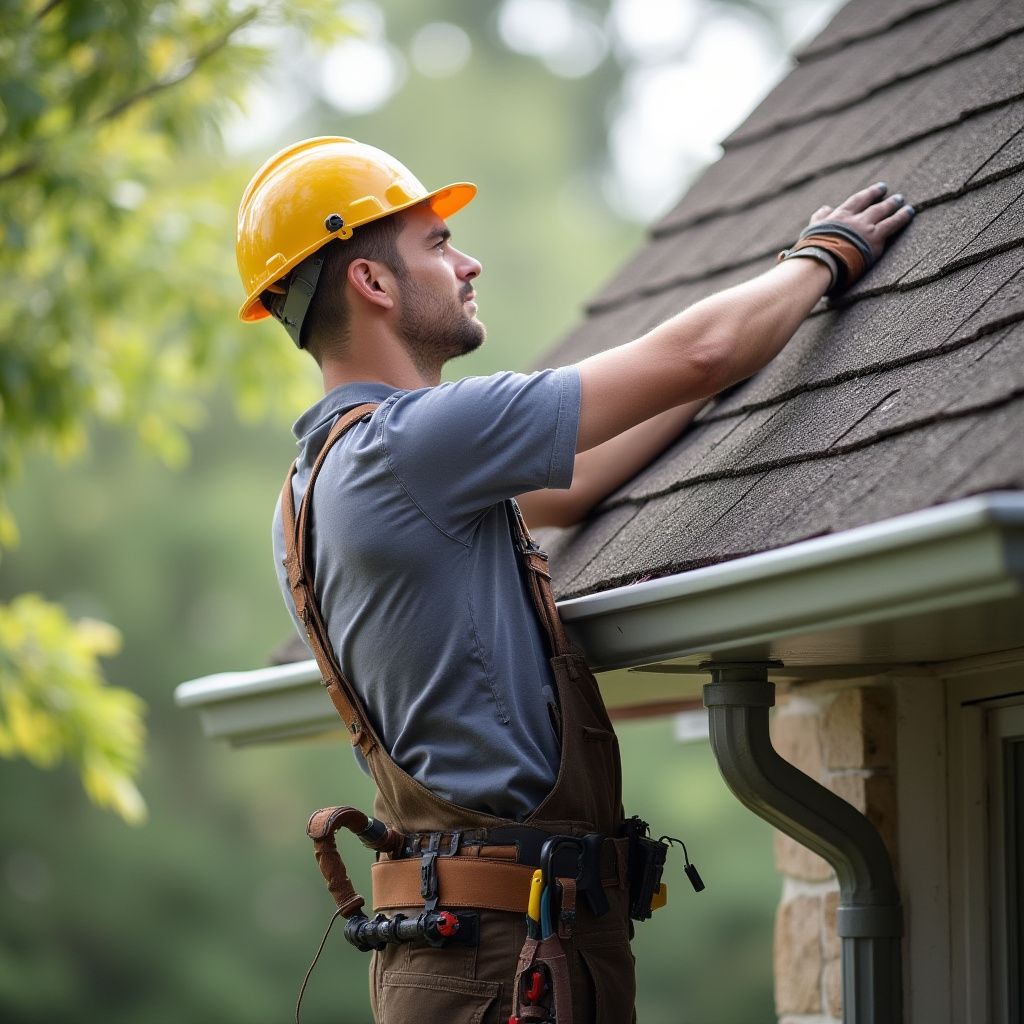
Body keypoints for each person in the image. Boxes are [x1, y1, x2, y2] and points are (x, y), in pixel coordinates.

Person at [235, 136, 914, 1023]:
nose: (468, 261)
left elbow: (586, 474)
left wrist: (720, 373)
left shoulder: (313, 486)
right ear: (372, 282)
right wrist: (821, 257)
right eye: (437, 244)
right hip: (501, 955)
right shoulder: (412, 444)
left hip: (463, 945)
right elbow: (703, 349)